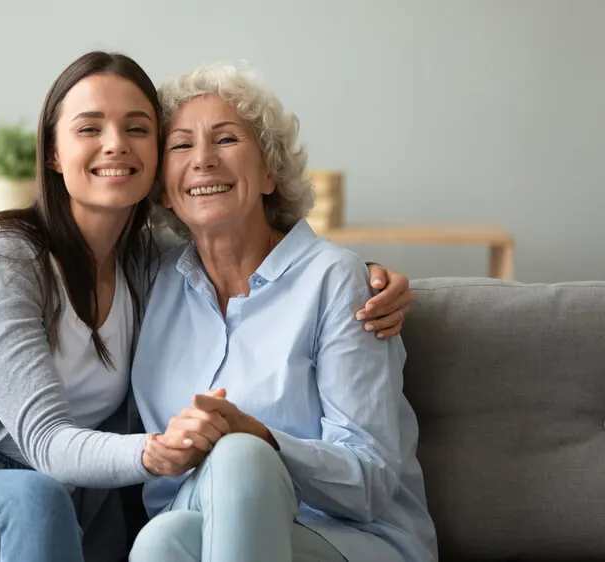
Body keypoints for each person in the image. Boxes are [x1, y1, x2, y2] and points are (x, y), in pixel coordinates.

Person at [0, 51, 414, 562]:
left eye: (137, 128)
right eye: (88, 128)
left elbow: (255, 250)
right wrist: (155, 451)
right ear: (53, 153)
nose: (115, 145)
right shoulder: (3, 260)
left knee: (152, 522)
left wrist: (367, 277)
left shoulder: (148, 270)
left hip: (28, 533)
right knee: (40, 496)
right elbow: (47, 444)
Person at [127, 63, 437, 562]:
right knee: (161, 539)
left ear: (269, 171)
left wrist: (264, 440)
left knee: (241, 455)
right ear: (162, 186)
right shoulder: (148, 283)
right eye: (181, 145)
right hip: (199, 526)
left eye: (226, 139)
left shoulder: (336, 281)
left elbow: (371, 484)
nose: (203, 160)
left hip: (348, 540)